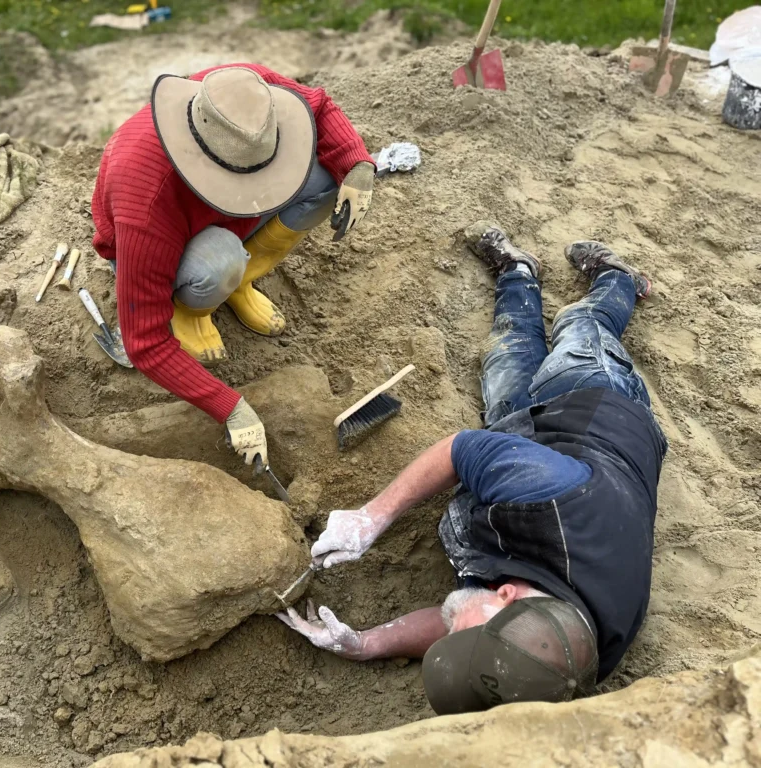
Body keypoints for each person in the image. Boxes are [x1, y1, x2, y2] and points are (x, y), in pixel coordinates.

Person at [277, 223, 668, 715]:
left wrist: (365, 643)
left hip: (543, 451)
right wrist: (370, 518)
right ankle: (619, 279)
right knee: (580, 324)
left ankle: (520, 271)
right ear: (507, 594)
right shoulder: (551, 497)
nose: (455, 632)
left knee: (508, 354)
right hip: (597, 405)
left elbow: (465, 624)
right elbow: (460, 449)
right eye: (464, 635)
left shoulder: (553, 658)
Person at [91, 64, 375, 468]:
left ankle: (240, 283)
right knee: (221, 260)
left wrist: (356, 164)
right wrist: (230, 407)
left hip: (216, 216)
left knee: (327, 180)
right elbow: (145, 343)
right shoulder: (146, 200)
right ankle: (192, 309)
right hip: (168, 244)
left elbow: (318, 105)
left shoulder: (244, 93)